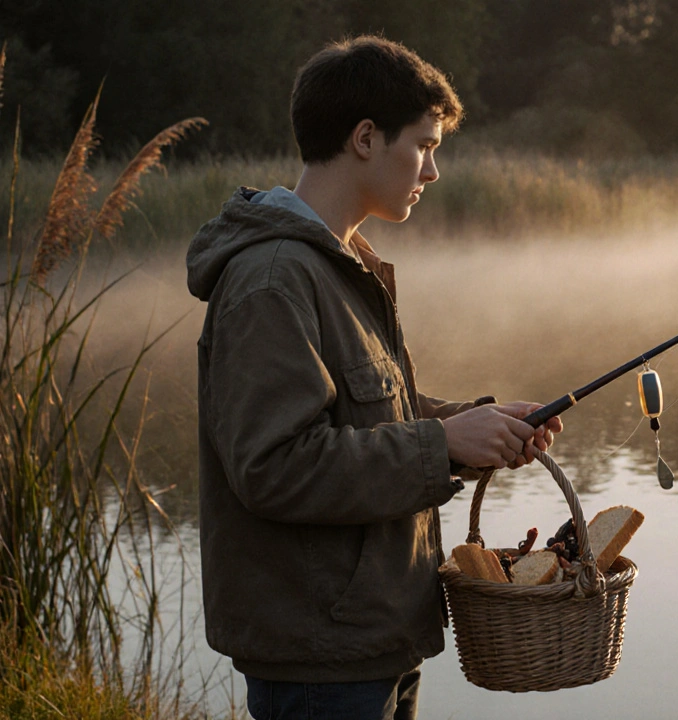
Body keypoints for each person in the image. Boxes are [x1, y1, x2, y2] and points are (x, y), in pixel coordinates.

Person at [185, 35, 562, 720]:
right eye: (424, 146)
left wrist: (473, 426)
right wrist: (442, 446)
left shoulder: (339, 262)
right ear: (365, 138)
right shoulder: (273, 279)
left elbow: (365, 413)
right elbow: (274, 466)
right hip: (321, 661)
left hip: (373, 640)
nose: (433, 171)